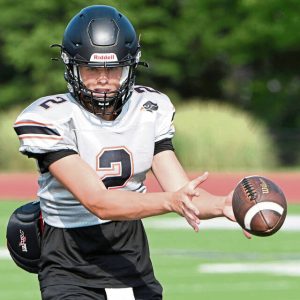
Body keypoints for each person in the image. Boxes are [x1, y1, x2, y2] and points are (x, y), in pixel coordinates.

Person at [13, 5, 250, 300]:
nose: (103, 79)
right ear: (71, 67)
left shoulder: (149, 109)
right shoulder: (51, 117)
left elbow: (181, 192)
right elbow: (98, 202)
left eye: (112, 69)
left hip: (131, 258)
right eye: (92, 68)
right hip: (70, 263)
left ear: (130, 66)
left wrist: (224, 205)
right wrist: (170, 202)